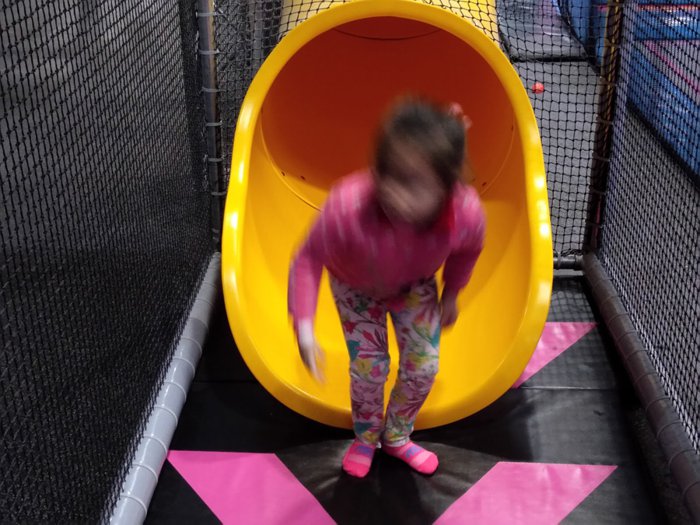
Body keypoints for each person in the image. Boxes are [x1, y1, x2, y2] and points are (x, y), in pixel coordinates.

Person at [287, 97, 486, 478]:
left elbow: (467, 252)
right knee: (370, 368)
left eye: (412, 183)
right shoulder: (348, 208)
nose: (394, 193)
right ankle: (365, 437)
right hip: (355, 287)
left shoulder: (466, 214)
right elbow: (308, 258)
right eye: (387, 175)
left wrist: (452, 293)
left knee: (423, 367)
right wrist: (305, 326)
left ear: (447, 186)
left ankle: (396, 436)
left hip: (413, 284)